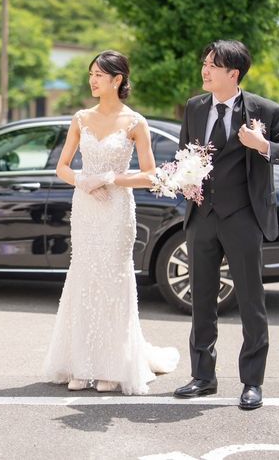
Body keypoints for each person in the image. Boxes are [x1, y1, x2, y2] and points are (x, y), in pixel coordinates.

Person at [174, 40, 279, 410]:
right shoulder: (195, 107)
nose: (205, 70)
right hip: (202, 217)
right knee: (201, 300)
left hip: (244, 217)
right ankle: (203, 377)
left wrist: (262, 145)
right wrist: (183, 179)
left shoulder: (265, 110)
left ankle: (252, 382)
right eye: (205, 63)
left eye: (213, 65)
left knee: (250, 301)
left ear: (234, 73)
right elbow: (184, 153)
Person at [44, 50, 179, 394]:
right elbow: (62, 167)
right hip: (86, 207)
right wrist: (83, 180)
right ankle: (80, 364)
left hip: (117, 209)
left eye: (99, 75)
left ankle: (111, 367)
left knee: (112, 282)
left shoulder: (135, 122)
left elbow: (151, 175)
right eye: (91, 74)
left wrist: (111, 178)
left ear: (117, 80)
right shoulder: (81, 118)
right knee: (84, 279)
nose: (92, 80)